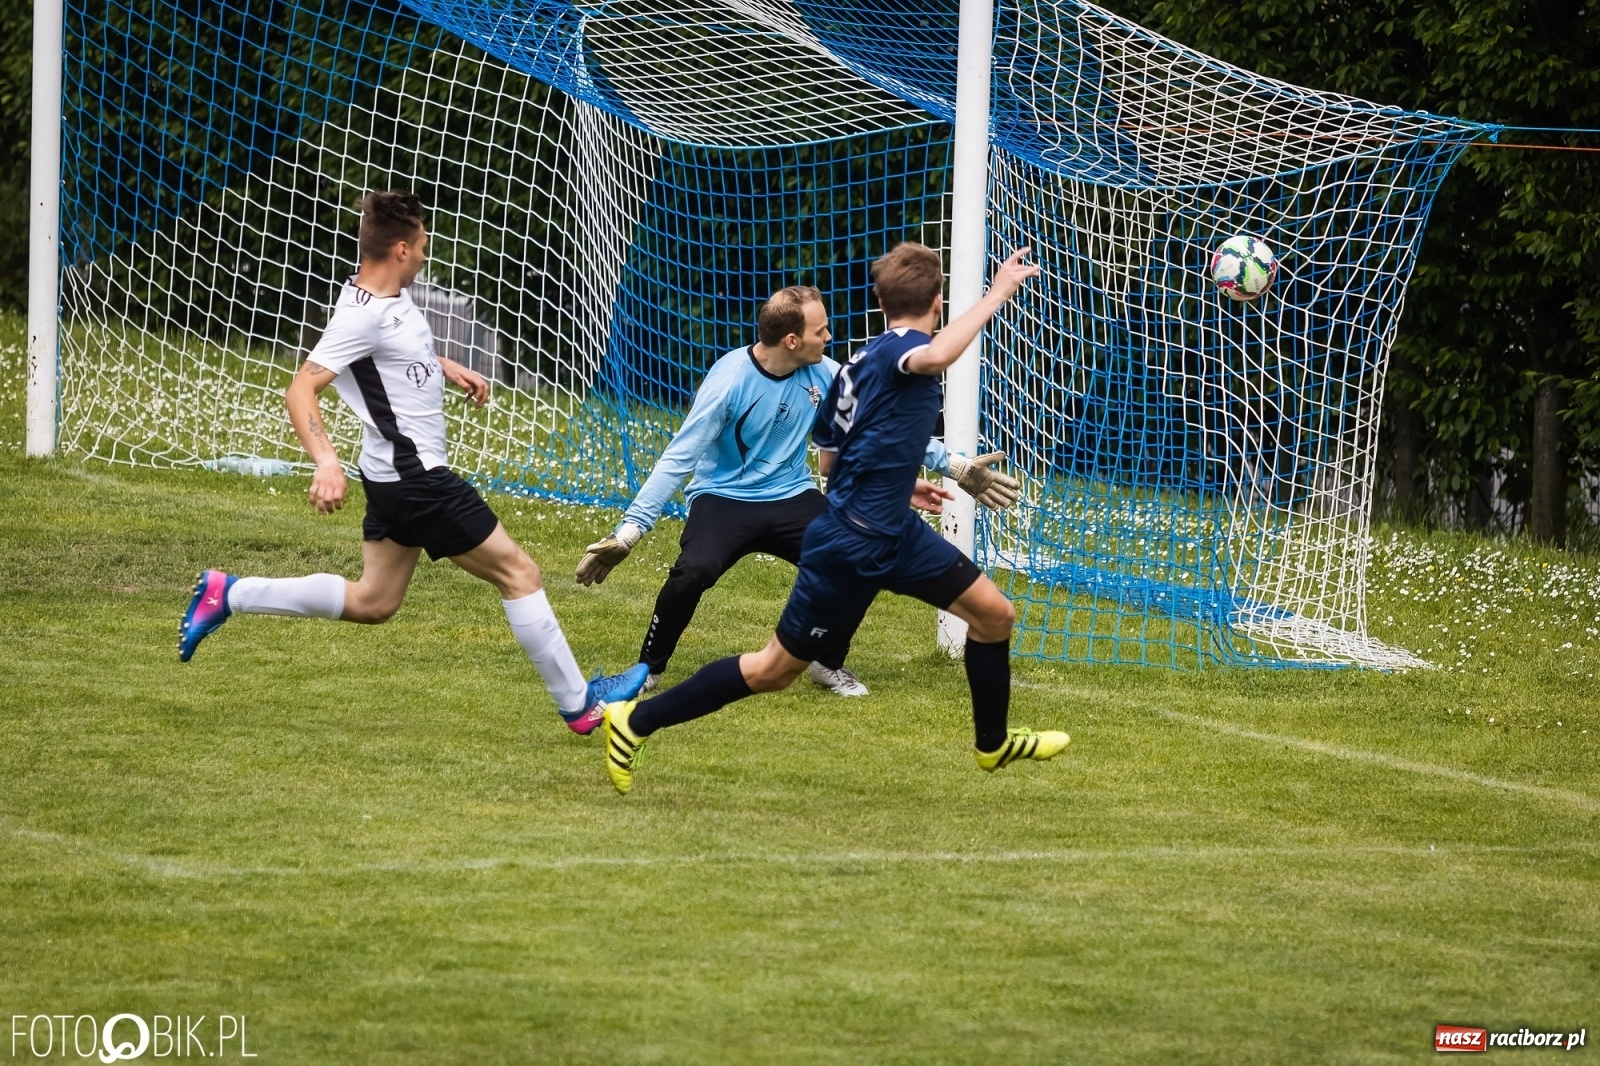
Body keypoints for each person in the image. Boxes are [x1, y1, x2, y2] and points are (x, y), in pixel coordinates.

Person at [597, 243, 1069, 794]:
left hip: (894, 531)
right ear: (937, 303)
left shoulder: (847, 370)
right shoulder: (902, 351)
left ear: (880, 301)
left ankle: (993, 743)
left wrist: (900, 480)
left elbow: (830, 458)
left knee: (994, 615)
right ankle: (636, 721)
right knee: (773, 671)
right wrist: (997, 293)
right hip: (850, 542)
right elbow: (937, 356)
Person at [177, 190, 647, 734]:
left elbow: (389, 349)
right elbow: (300, 389)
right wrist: (325, 461)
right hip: (418, 479)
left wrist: (442, 364)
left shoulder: (385, 295)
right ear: (401, 248)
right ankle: (580, 706)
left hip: (391, 478)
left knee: (373, 601)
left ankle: (229, 593)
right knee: (520, 573)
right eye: (422, 244)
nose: (425, 253)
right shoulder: (361, 316)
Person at [574, 285, 1021, 698]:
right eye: (820, 330)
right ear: (791, 340)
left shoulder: (825, 374)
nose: (829, 336)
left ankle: (827, 663)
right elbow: (679, 458)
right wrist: (630, 532)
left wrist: (957, 467)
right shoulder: (729, 382)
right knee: (694, 570)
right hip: (724, 498)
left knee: (856, 557)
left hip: (791, 494)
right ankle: (649, 669)